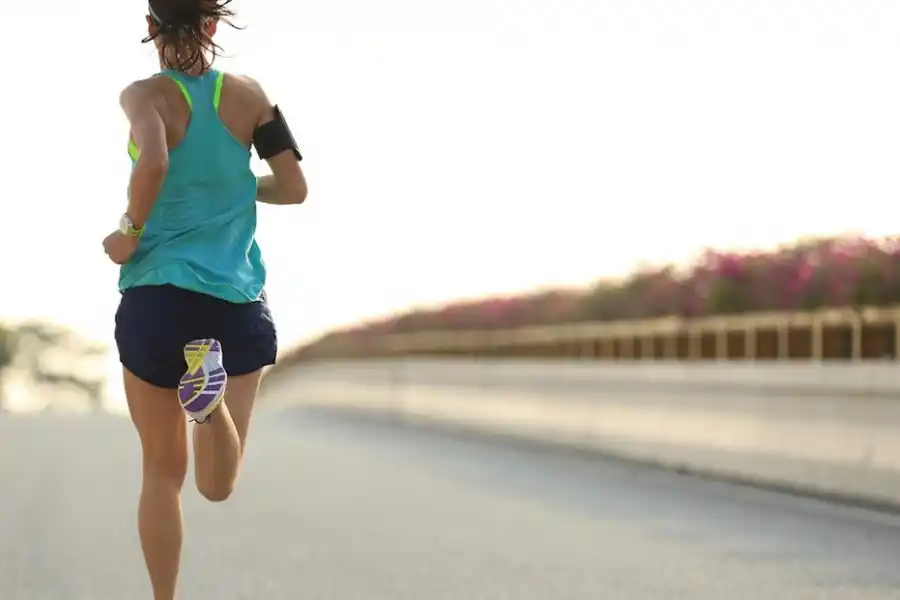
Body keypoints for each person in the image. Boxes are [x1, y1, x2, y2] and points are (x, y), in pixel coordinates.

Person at [102, 1, 307, 598]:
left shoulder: (143, 96)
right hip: (235, 303)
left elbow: (156, 161)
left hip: (157, 299)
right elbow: (293, 188)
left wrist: (128, 233)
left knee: (162, 475)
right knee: (217, 484)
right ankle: (208, 403)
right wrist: (238, 188)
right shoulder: (251, 96)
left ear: (149, 27)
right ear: (214, 24)